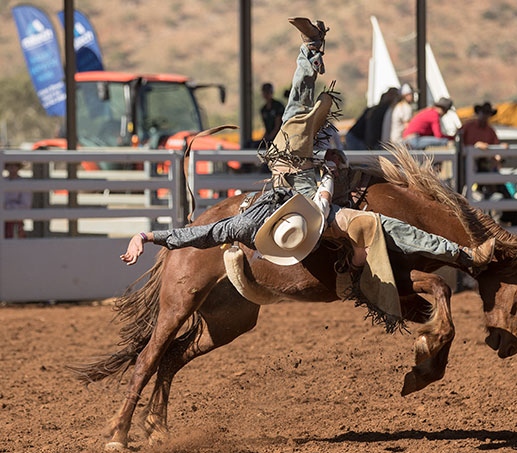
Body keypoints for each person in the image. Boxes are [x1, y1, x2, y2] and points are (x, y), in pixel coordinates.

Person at [121, 18, 495, 276]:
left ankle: (310, 48)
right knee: (388, 226)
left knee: (296, 114)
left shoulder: (248, 223)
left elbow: (201, 234)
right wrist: (328, 176)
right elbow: (205, 234)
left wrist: (147, 236)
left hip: (291, 169)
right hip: (309, 180)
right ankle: (464, 253)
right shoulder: (323, 221)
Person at [459, 101, 516, 225]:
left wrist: (500, 149)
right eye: (483, 113)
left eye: (487, 113)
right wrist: (475, 147)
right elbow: (458, 142)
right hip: (467, 164)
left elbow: (495, 148)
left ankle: (496, 213)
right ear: (478, 113)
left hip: (483, 164)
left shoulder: (490, 131)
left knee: (493, 184)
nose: (485, 116)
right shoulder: (468, 127)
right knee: (468, 186)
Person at [3, 162, 31, 239]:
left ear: (18, 167)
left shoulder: (23, 183)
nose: (11, 168)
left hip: (16, 219)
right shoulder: (3, 181)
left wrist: (7, 206)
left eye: (14, 165)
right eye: (9, 165)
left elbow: (25, 204)